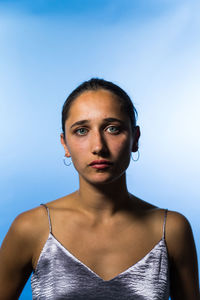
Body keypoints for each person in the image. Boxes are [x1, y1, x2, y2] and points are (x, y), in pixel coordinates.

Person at [0, 78, 199, 300]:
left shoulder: (171, 230)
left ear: (135, 139)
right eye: (82, 130)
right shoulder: (31, 228)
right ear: (64, 143)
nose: (98, 147)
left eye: (113, 128)